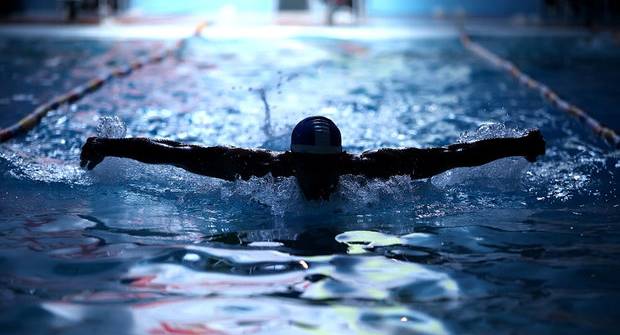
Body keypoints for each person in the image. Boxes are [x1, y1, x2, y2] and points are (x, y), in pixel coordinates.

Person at [80, 116, 546, 200]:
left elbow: (453, 155)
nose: (321, 180)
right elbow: (181, 154)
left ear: (340, 161)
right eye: (312, 168)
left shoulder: (371, 170)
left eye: (328, 168)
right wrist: (110, 145)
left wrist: (518, 145)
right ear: (292, 161)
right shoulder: (261, 168)